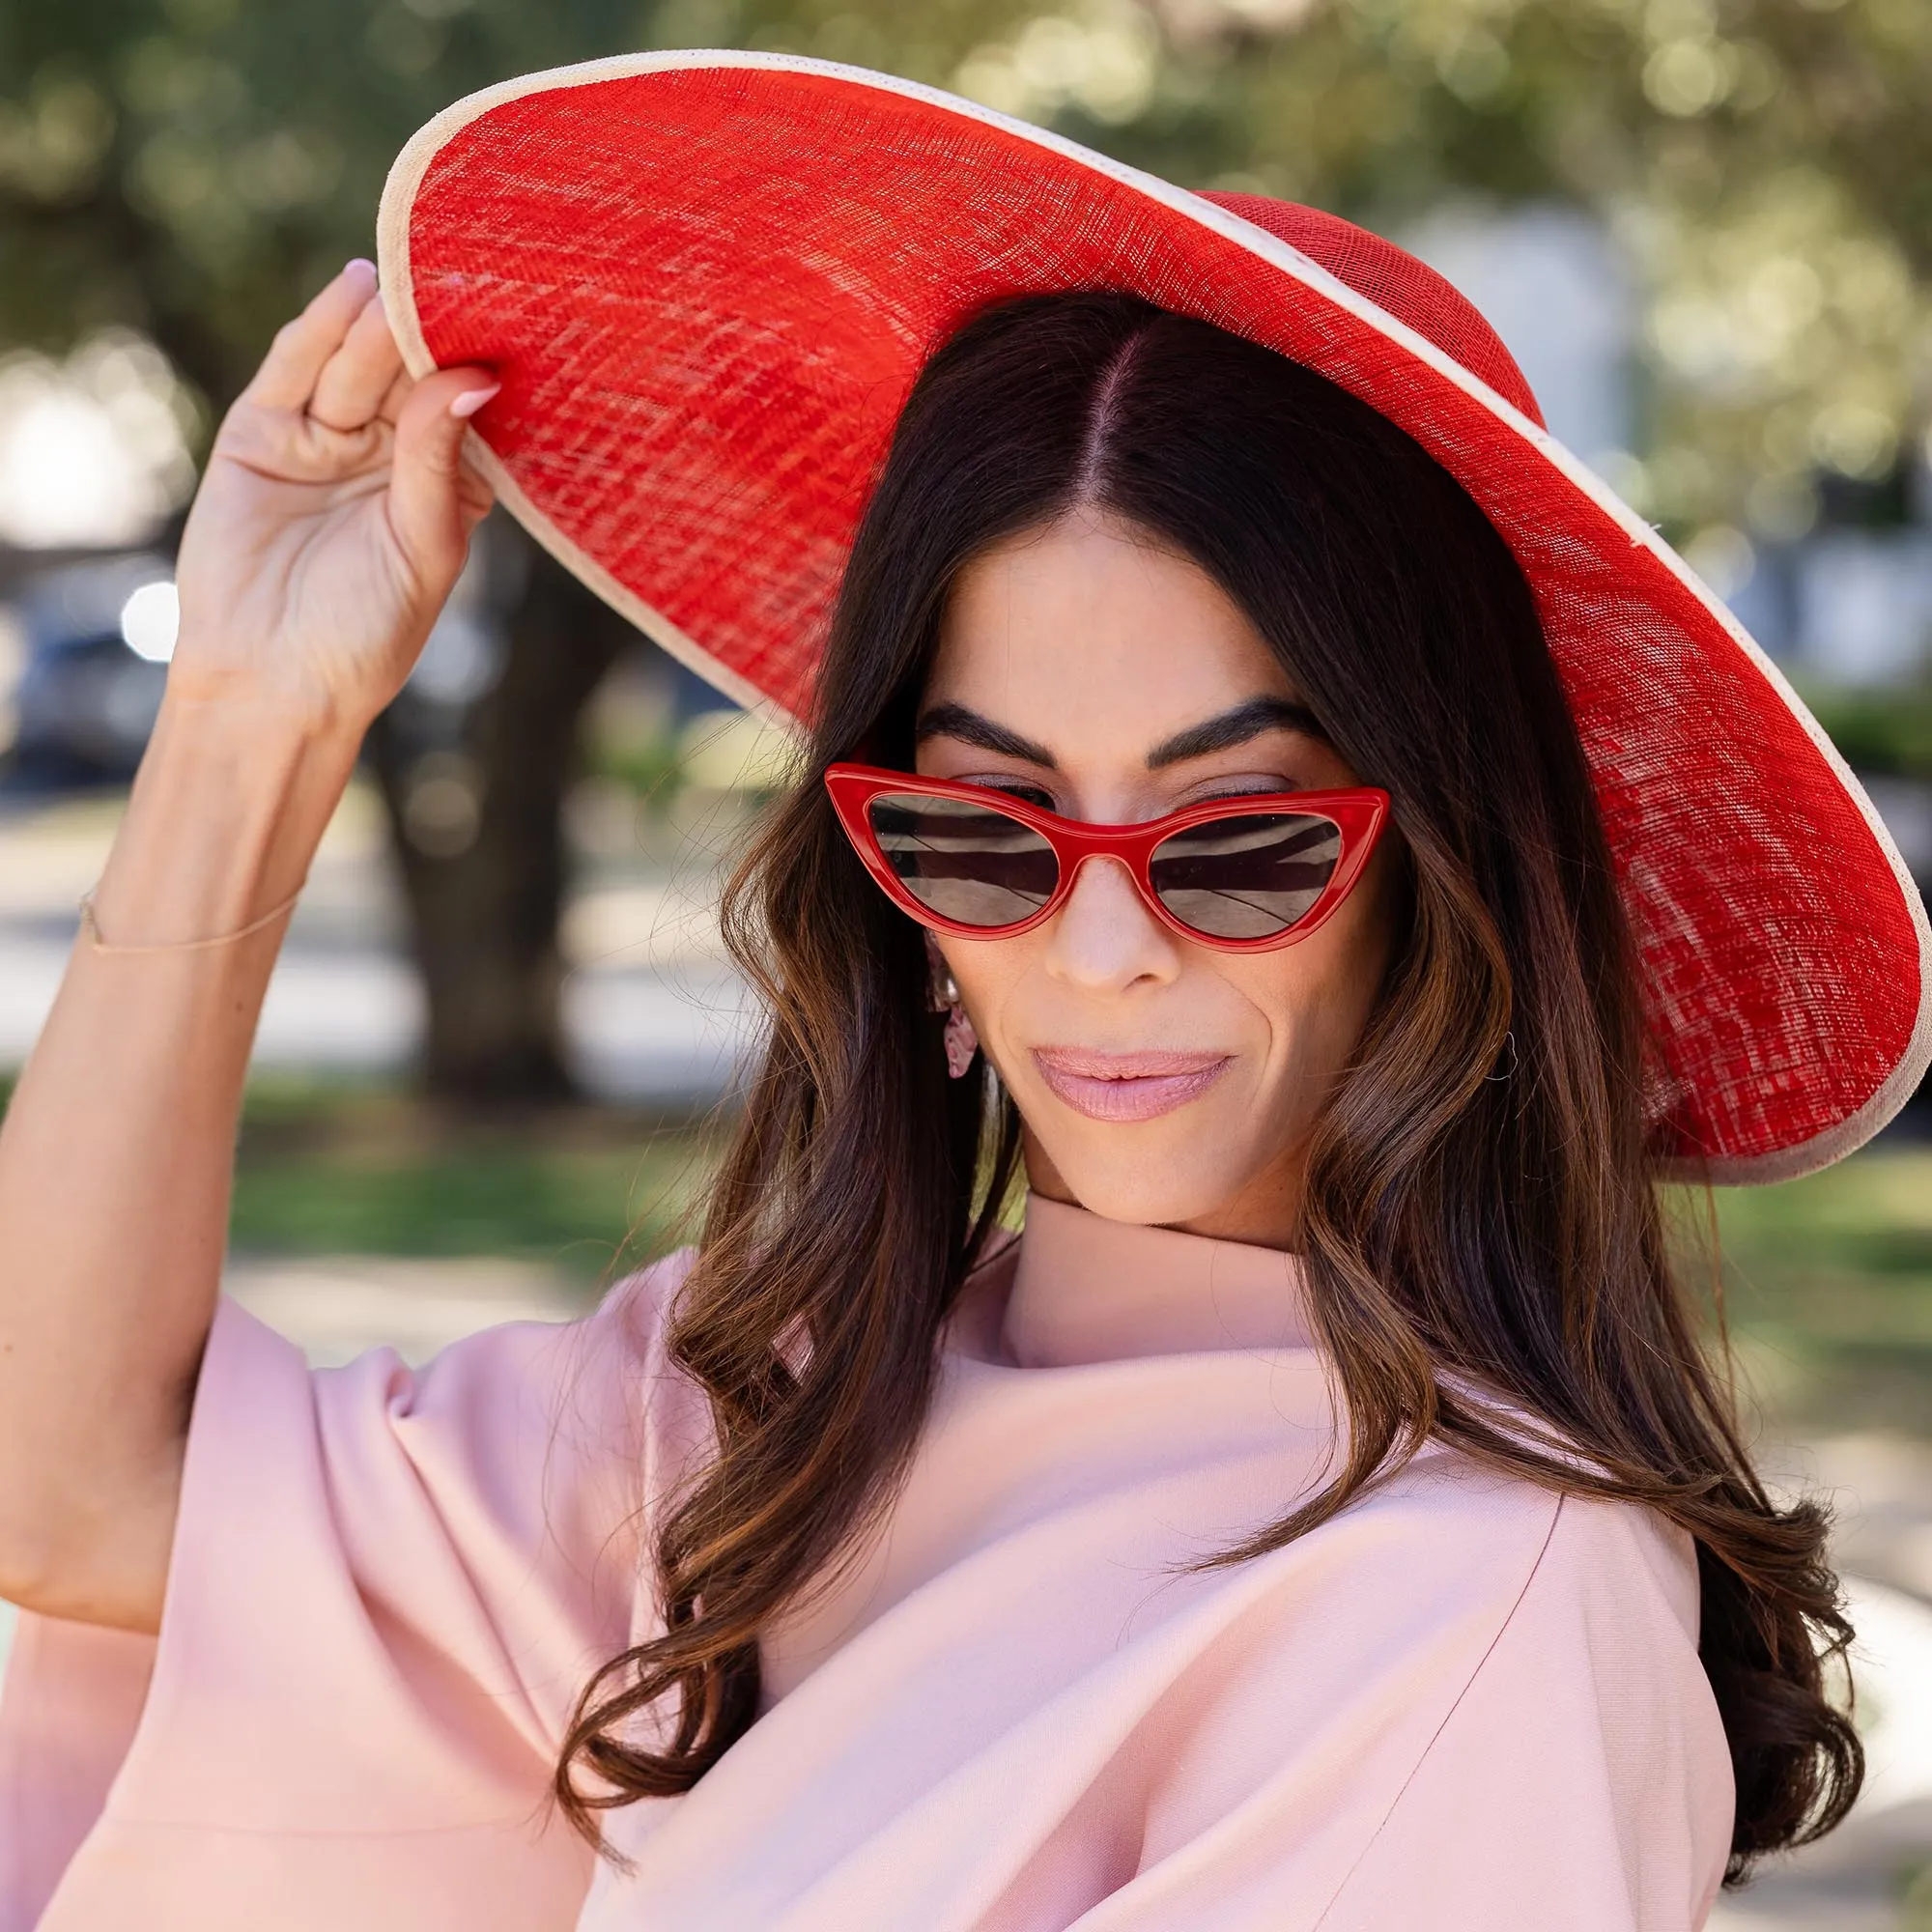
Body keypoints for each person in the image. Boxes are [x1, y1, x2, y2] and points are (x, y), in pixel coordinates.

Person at [1, 50, 1927, 1932]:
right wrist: (252, 722)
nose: (1098, 950)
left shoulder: (1469, 1608)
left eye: (1241, 840)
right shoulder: (770, 1418)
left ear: (1448, 871)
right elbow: (72, 1490)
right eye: (987, 835)